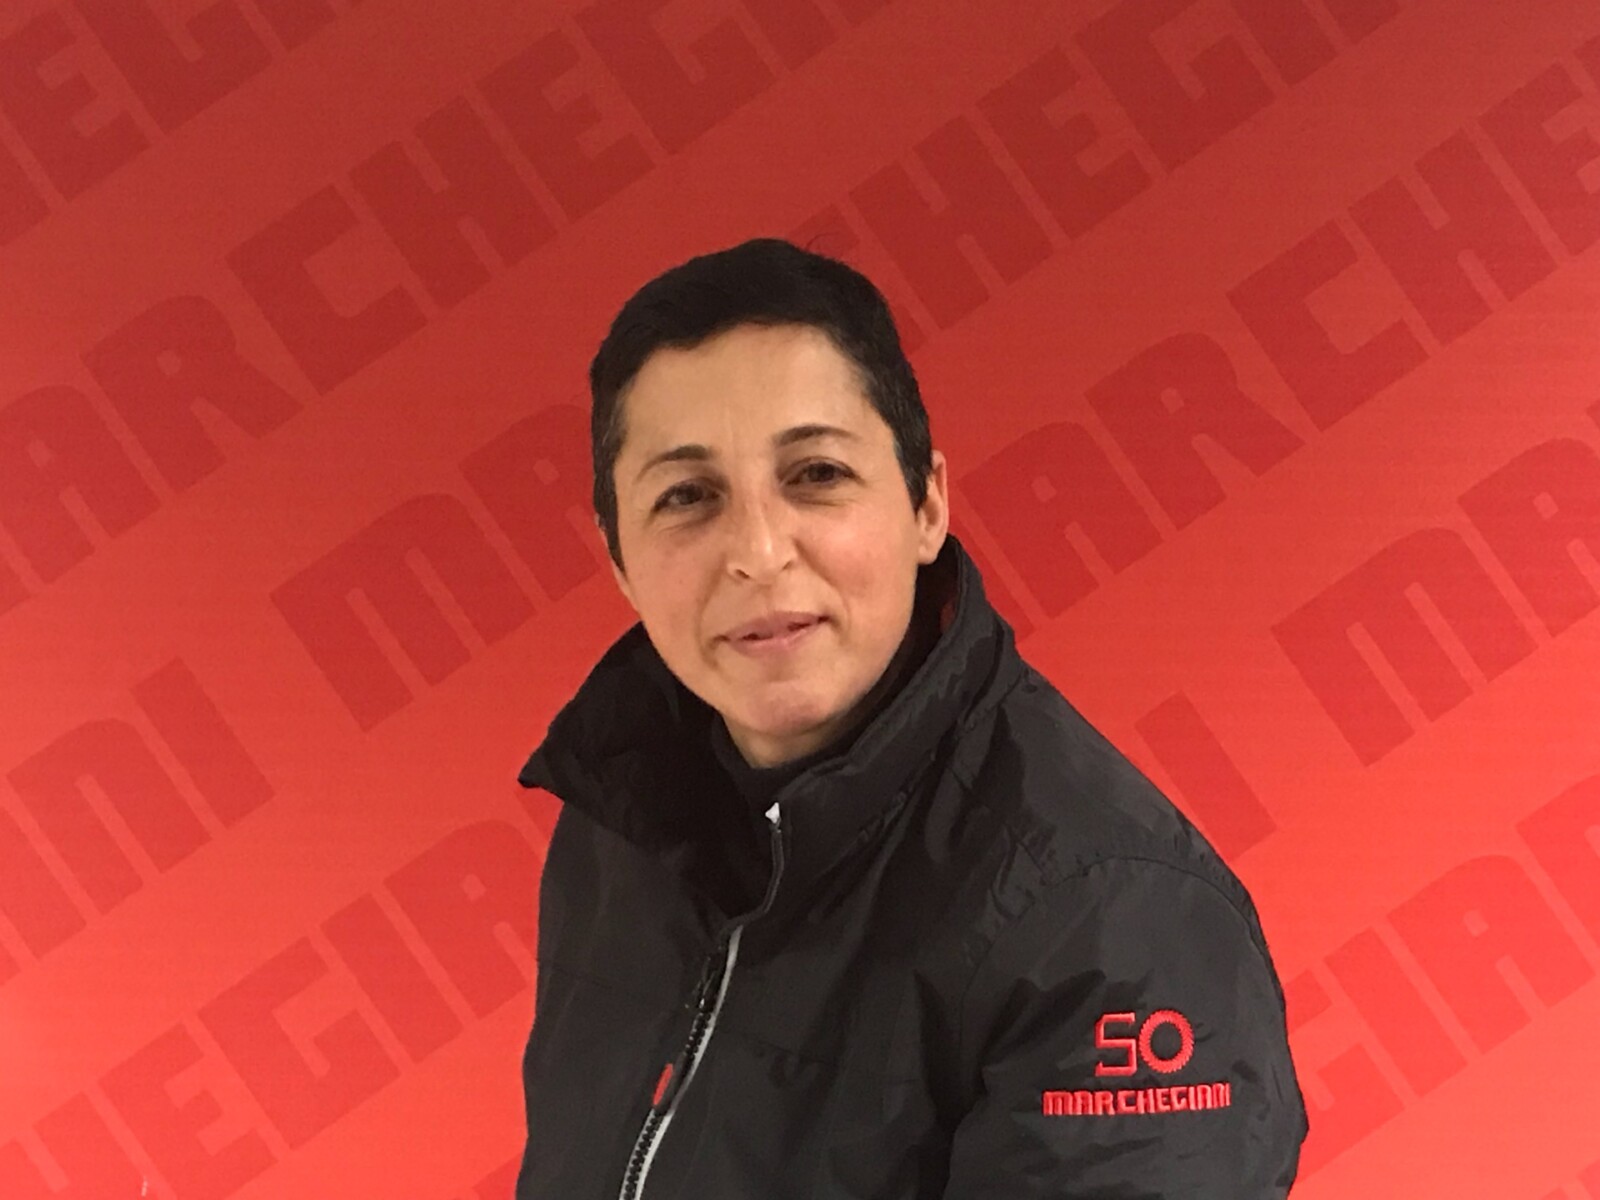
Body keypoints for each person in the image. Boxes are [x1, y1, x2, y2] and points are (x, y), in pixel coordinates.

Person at [514, 238, 1308, 1198]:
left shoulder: (1111, 925)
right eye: (687, 497)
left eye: (816, 474)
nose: (758, 551)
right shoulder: (621, 825)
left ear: (927, 504)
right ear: (618, 558)